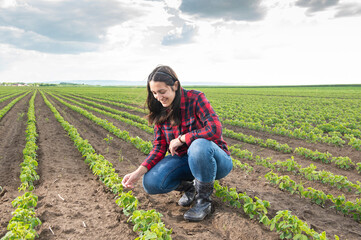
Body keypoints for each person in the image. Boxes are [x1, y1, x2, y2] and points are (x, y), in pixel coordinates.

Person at [121, 65, 233, 221]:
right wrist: (137, 173)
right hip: (186, 162)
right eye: (154, 93)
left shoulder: (196, 99)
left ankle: (203, 202)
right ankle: (190, 187)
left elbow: (215, 129)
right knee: (150, 182)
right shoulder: (161, 111)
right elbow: (159, 148)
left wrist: (182, 139)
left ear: (175, 86)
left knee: (198, 145)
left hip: (215, 161)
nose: (158, 97)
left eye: (162, 92)